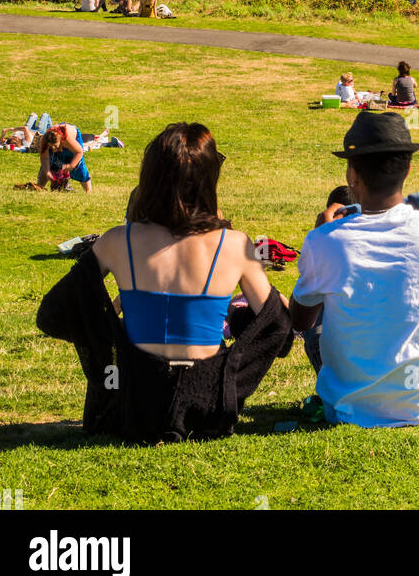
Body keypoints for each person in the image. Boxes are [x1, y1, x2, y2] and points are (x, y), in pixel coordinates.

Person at [37, 122, 293, 443]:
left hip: (133, 400)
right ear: (209, 179)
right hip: (209, 403)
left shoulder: (119, 240)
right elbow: (278, 328)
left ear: (150, 177)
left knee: (114, 368)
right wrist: (232, 371)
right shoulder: (235, 244)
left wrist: (108, 345)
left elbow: (54, 312)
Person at [290, 111, 419, 427]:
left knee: (322, 303)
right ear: (408, 168)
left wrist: (321, 241)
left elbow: (300, 319)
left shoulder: (324, 239)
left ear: (352, 174)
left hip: (343, 405)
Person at [38, 123, 92, 193]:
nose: (54, 149)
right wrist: (48, 172)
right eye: (51, 147)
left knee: (79, 166)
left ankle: (88, 191)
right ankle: (40, 187)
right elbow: (44, 158)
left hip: (72, 136)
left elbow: (79, 152)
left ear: (60, 141)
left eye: (55, 146)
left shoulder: (66, 139)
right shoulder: (44, 140)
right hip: (56, 137)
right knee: (52, 163)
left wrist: (71, 166)